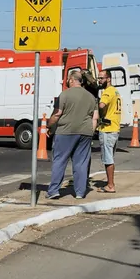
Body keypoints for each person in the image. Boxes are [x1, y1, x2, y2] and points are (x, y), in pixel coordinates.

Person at [46, 71, 99, 200]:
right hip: (85, 132)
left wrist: (49, 126)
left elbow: (57, 114)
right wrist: (90, 132)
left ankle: (54, 191)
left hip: (65, 131)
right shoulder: (91, 97)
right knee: (81, 163)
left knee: (60, 160)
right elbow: (95, 118)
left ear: (71, 80)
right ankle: (80, 192)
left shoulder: (64, 95)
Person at [97, 70, 121, 193]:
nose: (99, 80)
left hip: (107, 129)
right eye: (99, 78)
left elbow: (101, 105)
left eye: (101, 78)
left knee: (108, 159)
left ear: (109, 79)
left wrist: (99, 114)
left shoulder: (108, 92)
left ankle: (110, 185)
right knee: (110, 157)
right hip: (115, 128)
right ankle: (110, 183)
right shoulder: (116, 91)